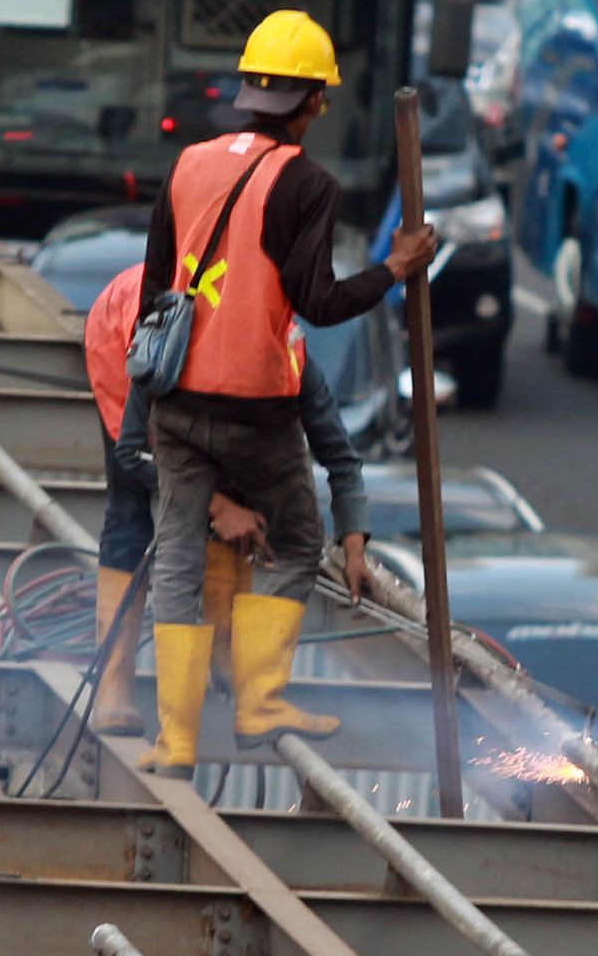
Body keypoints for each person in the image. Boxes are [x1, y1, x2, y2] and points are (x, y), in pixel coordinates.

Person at [131, 10, 435, 771]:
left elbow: (155, 288)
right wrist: (396, 269)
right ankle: (259, 700)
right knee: (299, 538)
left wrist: (159, 396)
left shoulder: (189, 163)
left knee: (175, 559)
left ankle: (174, 740)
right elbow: (318, 302)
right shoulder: (307, 183)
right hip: (255, 406)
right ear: (311, 104)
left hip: (174, 397)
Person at [80, 268, 376, 739]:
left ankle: (223, 655)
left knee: (235, 490)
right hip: (132, 344)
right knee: (133, 513)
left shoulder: (293, 362)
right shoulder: (171, 349)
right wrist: (217, 507)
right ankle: (113, 687)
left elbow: (340, 456)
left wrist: (354, 541)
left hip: (203, 367)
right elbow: (135, 456)